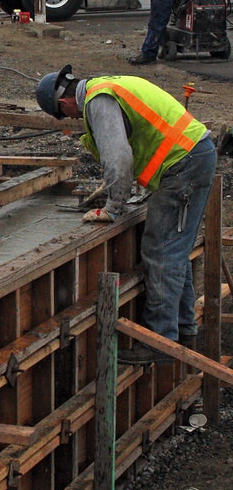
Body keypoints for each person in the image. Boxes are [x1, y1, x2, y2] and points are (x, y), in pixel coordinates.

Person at [36, 64, 216, 362]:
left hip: (183, 165)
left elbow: (119, 158)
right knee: (175, 250)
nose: (70, 119)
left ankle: (159, 342)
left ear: (64, 103)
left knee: (160, 252)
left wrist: (112, 207)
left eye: (63, 115)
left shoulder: (97, 102)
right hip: (193, 156)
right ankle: (183, 332)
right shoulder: (106, 85)